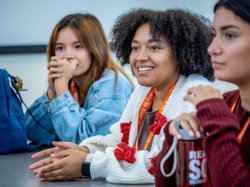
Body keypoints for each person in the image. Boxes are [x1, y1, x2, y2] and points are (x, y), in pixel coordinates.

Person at [28, 8, 214, 184]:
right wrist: (85, 149)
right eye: (135, 48)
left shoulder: (195, 94)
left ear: (181, 53)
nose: (140, 57)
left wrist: (87, 164)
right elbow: (119, 139)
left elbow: (164, 163)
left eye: (154, 47)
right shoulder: (145, 89)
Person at [155, 0, 250, 187]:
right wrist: (175, 138)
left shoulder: (216, 107)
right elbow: (165, 182)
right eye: (215, 35)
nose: (212, 48)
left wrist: (217, 118)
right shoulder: (226, 102)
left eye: (230, 35)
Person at [25, 13, 133, 148]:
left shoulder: (112, 84)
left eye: (78, 46)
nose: (68, 55)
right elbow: (30, 132)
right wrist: (52, 94)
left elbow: (87, 144)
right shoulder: (71, 84)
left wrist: (62, 90)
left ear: (95, 49)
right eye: (60, 48)